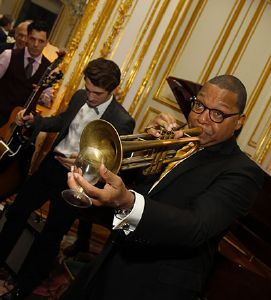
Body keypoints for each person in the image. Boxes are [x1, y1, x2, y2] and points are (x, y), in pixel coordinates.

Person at [61, 75, 265, 300]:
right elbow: (131, 196)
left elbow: (196, 227)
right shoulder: (176, 143)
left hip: (153, 287)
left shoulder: (242, 171)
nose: (202, 119)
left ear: (239, 121)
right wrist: (134, 153)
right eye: (199, 106)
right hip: (110, 261)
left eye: (217, 114)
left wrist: (127, 201)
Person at [0, 57, 135, 299]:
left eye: (97, 93)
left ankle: (23, 287)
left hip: (77, 181)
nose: (90, 97)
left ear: (113, 90)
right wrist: (36, 121)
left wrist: (85, 163)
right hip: (51, 167)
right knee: (17, 212)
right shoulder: (80, 96)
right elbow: (63, 120)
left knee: (51, 235)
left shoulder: (122, 121)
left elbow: (112, 163)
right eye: (88, 88)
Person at [0, 20, 50, 127]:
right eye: (33, 39)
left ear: (46, 43)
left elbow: (46, 99)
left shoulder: (49, 68)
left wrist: (41, 95)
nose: (36, 45)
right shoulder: (8, 55)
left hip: (20, 125)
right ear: (27, 38)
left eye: (41, 41)